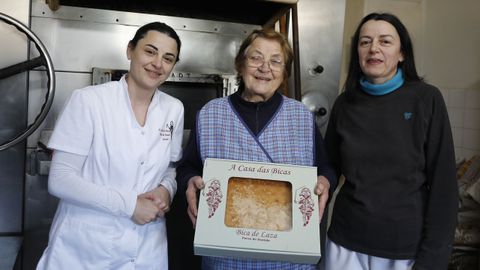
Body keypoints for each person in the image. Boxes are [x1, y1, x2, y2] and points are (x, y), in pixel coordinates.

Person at [176, 28, 336, 269]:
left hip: (288, 256)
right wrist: (188, 180)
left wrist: (326, 180)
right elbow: (188, 166)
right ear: (240, 65)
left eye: (276, 61)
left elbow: (325, 167)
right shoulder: (210, 114)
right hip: (225, 254)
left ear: (284, 73)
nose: (265, 67)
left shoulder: (301, 116)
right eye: (256, 58)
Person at [37, 22, 184, 269]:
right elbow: (60, 179)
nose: (158, 63)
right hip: (85, 249)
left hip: (146, 248)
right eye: (150, 51)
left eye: (168, 58)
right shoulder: (89, 101)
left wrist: (166, 190)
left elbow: (169, 167)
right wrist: (130, 205)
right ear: (130, 50)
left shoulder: (173, 109)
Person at [324, 12, 458, 270]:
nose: (373, 48)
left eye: (385, 41)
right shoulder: (345, 103)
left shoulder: (426, 99)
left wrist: (434, 258)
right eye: (365, 42)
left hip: (403, 248)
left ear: (402, 53)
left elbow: (445, 188)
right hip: (344, 242)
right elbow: (330, 165)